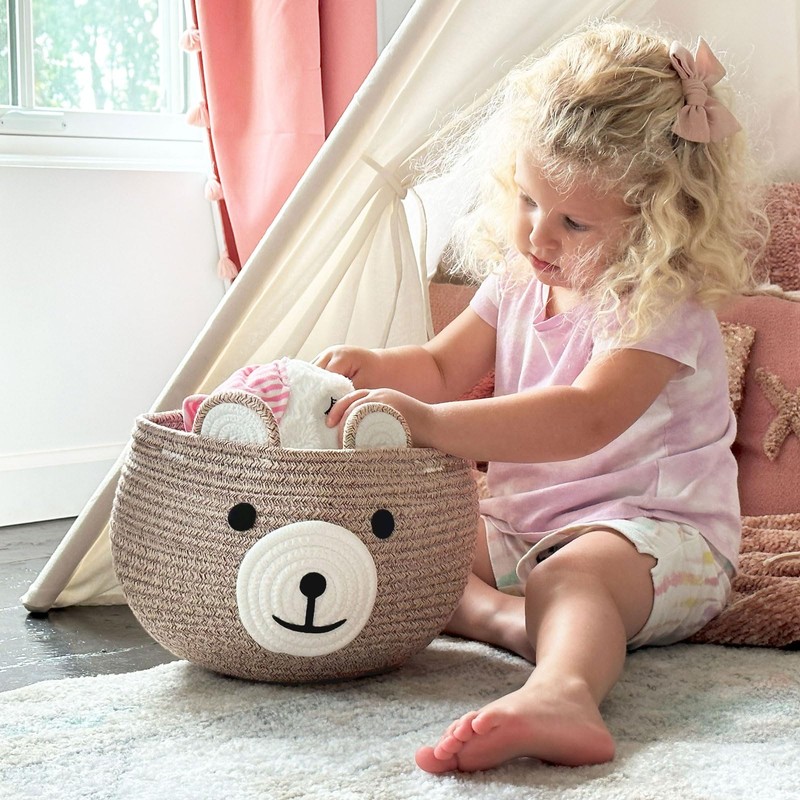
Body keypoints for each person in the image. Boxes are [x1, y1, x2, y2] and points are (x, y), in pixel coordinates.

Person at [315, 21, 767, 773]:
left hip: (654, 539)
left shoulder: (660, 307)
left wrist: (430, 424)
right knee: (398, 538)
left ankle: (563, 692)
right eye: (528, 200)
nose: (537, 237)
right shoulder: (518, 282)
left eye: (573, 222)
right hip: (523, 528)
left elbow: (584, 418)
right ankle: (509, 618)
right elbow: (440, 365)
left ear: (659, 222)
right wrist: (378, 369)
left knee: (572, 574)